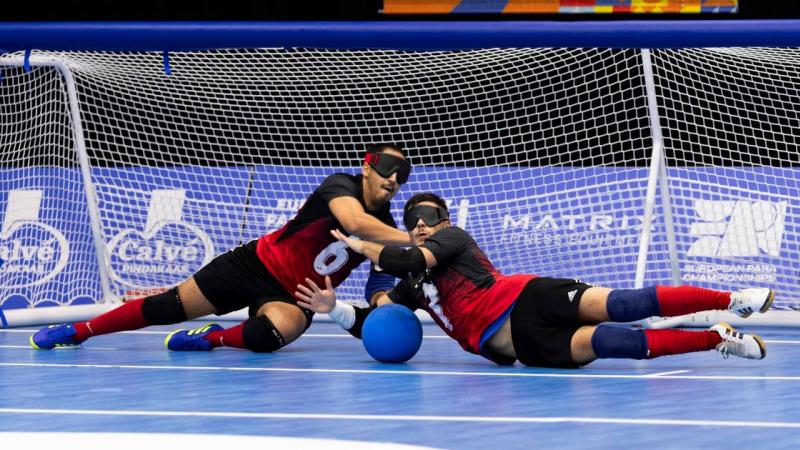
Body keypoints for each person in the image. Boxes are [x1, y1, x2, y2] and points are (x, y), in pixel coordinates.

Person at [294, 192, 774, 368]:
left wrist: (362, 244)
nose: (421, 223)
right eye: (413, 218)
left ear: (442, 221)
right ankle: (716, 339)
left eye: (429, 216)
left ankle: (735, 298)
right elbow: (376, 322)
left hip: (528, 298)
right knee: (615, 344)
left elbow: (407, 256)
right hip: (517, 346)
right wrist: (332, 310)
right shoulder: (413, 283)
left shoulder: (452, 240)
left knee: (627, 304)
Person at [30, 144, 413, 353]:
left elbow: (377, 284)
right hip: (255, 264)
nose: (394, 179)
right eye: (388, 169)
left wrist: (383, 308)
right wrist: (414, 240)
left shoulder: (389, 231)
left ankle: (210, 339)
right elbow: (355, 223)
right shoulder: (340, 185)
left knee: (275, 335)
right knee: (167, 307)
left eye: (402, 176)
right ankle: (80, 330)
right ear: (366, 167)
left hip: (296, 295)